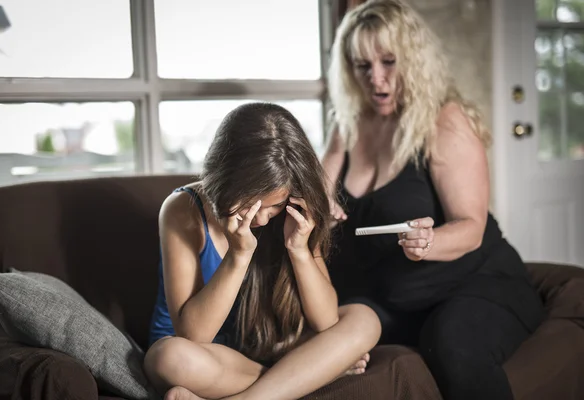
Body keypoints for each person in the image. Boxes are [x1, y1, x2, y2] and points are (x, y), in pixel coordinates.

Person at [322, 1, 545, 399]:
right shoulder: (348, 124)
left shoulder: (444, 121)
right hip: (387, 298)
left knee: (452, 343)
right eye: (362, 66)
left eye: (389, 61)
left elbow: (471, 229)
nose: (376, 79)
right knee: (315, 340)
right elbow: (318, 190)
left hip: (472, 284)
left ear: (413, 58)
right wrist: (320, 208)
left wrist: (430, 242)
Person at [143, 102, 381, 400]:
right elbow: (193, 336)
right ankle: (304, 377)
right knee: (168, 357)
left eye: (275, 205)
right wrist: (238, 256)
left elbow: (326, 321)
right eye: (251, 203)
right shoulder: (182, 210)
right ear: (227, 180)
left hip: (265, 350)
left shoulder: (294, 213)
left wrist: (300, 251)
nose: (261, 218)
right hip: (204, 358)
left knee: (364, 318)